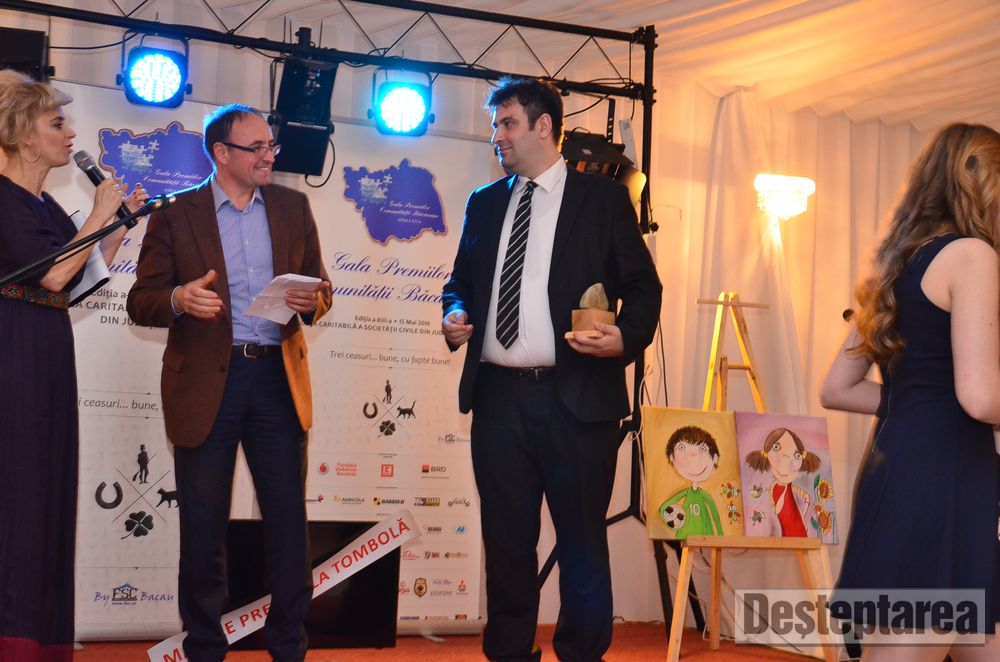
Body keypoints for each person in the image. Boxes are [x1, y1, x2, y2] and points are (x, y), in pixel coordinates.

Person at [441, 77, 661, 662]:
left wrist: (624, 339)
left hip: (578, 399)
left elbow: (644, 288)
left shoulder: (603, 201)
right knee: (507, 542)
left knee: (582, 542)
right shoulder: (485, 203)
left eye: (507, 123)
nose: (497, 136)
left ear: (544, 126)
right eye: (495, 125)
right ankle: (510, 653)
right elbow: (459, 282)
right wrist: (455, 312)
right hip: (498, 400)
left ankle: (581, 653)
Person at [126, 104, 332, 662]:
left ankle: (288, 646)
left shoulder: (293, 206)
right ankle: (205, 649)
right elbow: (141, 300)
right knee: (203, 526)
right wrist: (178, 298)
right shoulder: (175, 214)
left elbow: (322, 289)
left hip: (277, 380)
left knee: (287, 524)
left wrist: (311, 300)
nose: (270, 155)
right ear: (222, 153)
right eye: (257, 147)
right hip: (205, 386)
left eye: (271, 145)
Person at [822, 123, 1000, 661]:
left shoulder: (896, 264)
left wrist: (920, 401)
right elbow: (980, 397)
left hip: (907, 470)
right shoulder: (973, 257)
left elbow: (837, 389)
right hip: (943, 479)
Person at [0, 70, 144, 660]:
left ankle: (42, 638)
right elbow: (54, 274)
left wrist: (116, 225)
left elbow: (79, 280)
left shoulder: (45, 203)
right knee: (20, 492)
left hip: (48, 350)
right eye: (56, 123)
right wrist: (98, 214)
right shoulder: (3, 198)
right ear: (22, 135)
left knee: (49, 489)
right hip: (14, 352)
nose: (70, 133)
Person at [743, 427, 820, 537]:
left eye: (796, 455)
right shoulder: (772, 490)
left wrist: (803, 516)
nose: (785, 461)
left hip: (799, 534)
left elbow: (806, 497)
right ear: (766, 455)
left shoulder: (790, 487)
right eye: (776, 447)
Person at [659, 425, 723, 538]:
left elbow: (714, 513)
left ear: (714, 458)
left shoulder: (704, 495)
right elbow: (663, 508)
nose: (694, 455)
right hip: (686, 533)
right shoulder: (686, 493)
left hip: (705, 532)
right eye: (682, 447)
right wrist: (672, 524)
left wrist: (720, 534)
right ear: (671, 457)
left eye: (702, 449)